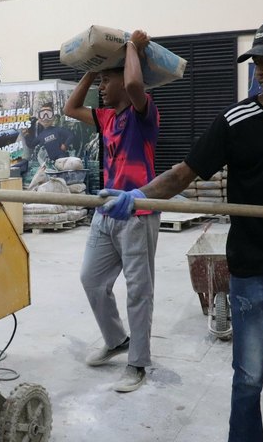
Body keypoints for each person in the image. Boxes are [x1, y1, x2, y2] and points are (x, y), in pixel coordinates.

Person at [100, 16, 263, 441]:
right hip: (250, 269)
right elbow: (184, 173)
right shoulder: (237, 121)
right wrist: (139, 195)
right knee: (249, 377)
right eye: (256, 61)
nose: (261, 70)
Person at [63, 29, 160, 393]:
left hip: (138, 211)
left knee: (139, 290)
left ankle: (137, 362)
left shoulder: (144, 115)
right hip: (105, 210)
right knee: (91, 279)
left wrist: (132, 47)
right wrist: (93, 67)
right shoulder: (105, 119)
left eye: (106, 80)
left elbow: (136, 84)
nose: (101, 87)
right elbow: (70, 108)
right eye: (100, 82)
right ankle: (117, 339)